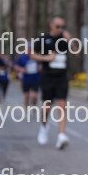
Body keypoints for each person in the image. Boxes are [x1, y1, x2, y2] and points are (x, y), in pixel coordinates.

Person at [31, 16, 74, 149]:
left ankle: (61, 135)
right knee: (47, 106)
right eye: (58, 26)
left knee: (62, 105)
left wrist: (70, 40)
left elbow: (77, 53)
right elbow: (32, 54)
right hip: (48, 76)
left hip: (61, 77)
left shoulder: (65, 39)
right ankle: (44, 126)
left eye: (63, 27)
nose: (61, 29)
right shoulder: (43, 39)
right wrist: (46, 58)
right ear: (51, 26)